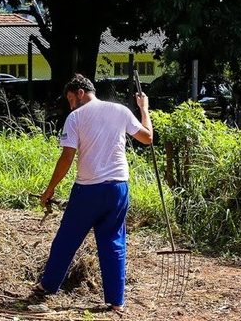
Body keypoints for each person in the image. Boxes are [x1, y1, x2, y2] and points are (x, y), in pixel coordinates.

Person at [37, 73, 153, 313]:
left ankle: (48, 287)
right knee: (113, 242)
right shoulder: (120, 110)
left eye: (70, 99)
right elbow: (147, 138)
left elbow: (66, 157)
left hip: (88, 189)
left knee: (67, 239)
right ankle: (115, 301)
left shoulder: (76, 117)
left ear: (80, 93)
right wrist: (144, 109)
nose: (70, 105)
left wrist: (50, 189)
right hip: (118, 188)